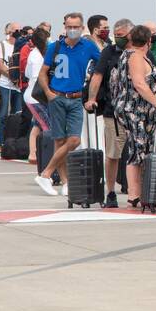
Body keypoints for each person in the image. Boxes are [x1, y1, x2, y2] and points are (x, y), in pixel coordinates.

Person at [34, 13, 102, 196]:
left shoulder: (88, 46)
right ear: (65, 27)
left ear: (82, 28)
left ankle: (46, 173)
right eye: (69, 27)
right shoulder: (55, 47)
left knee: (74, 140)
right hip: (57, 96)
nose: (72, 30)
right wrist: (48, 93)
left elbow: (101, 63)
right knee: (59, 140)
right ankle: (65, 182)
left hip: (76, 97)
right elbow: (43, 72)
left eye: (76, 27)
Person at [110, 25, 156, 209]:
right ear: (148, 41)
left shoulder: (131, 55)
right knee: (138, 149)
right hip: (136, 110)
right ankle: (134, 195)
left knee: (142, 148)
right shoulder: (135, 57)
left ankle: (144, 192)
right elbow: (139, 83)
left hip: (141, 110)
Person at [86, 18, 132, 208]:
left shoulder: (140, 52)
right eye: (116, 36)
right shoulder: (109, 52)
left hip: (137, 112)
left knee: (138, 154)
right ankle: (111, 192)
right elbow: (97, 76)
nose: (118, 39)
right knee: (113, 154)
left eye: (121, 36)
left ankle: (136, 191)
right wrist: (91, 98)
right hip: (113, 111)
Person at [21, 30, 50, 165]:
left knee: (38, 125)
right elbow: (39, 75)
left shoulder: (33, 54)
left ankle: (33, 154)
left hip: (32, 95)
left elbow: (27, 73)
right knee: (48, 128)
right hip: (36, 96)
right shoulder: (40, 56)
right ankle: (45, 155)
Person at [0, 22, 23, 147]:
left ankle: (13, 141)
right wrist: (13, 76)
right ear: (8, 31)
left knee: (17, 114)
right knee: (3, 113)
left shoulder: (21, 46)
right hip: (4, 84)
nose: (18, 32)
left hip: (18, 86)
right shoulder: (1, 45)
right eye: (16, 30)